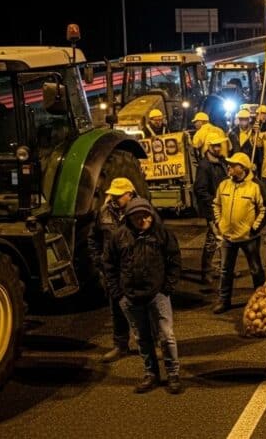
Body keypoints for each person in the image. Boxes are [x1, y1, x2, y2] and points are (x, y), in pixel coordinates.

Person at [104, 197, 183, 394]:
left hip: (158, 294)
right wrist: (119, 294)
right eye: (137, 217)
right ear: (129, 218)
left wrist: (167, 288)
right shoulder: (119, 237)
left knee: (166, 336)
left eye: (146, 216)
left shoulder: (162, 234)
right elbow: (109, 266)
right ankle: (151, 374)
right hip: (130, 297)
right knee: (142, 337)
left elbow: (174, 260)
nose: (143, 220)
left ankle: (173, 374)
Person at [88, 177, 138, 363]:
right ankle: (120, 345)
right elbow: (94, 238)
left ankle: (150, 344)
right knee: (117, 308)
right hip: (113, 270)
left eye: (119, 195)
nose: (115, 198)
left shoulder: (141, 211)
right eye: (113, 195)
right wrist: (99, 261)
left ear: (129, 194)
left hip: (135, 269)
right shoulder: (104, 212)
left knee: (143, 308)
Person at [211, 152, 266, 314]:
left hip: (249, 237)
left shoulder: (255, 186)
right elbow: (217, 204)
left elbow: (265, 209)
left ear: (242, 168)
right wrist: (219, 222)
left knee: (256, 269)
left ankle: (261, 299)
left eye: (233, 165)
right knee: (225, 270)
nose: (229, 167)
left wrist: (254, 228)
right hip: (228, 237)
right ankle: (224, 300)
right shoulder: (224, 185)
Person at [194, 135, 230, 284]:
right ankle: (207, 272)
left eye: (219, 145)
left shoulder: (221, 162)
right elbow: (200, 190)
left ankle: (223, 269)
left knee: (224, 240)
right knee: (212, 240)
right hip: (213, 209)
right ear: (209, 147)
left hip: (223, 208)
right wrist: (213, 206)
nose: (217, 148)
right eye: (214, 146)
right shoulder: (205, 166)